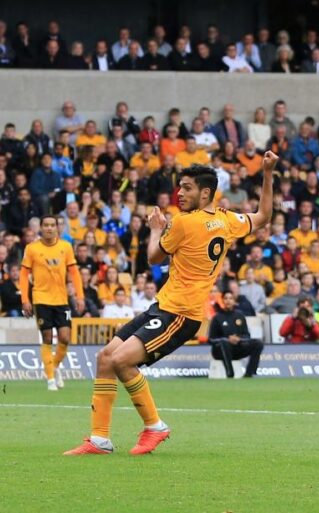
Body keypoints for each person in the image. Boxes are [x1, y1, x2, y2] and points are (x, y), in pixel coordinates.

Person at [65, 152, 278, 456]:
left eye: (187, 188)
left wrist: (155, 228)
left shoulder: (184, 223)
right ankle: (99, 439)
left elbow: (153, 257)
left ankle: (155, 426)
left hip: (180, 313)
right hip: (163, 307)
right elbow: (264, 216)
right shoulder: (227, 220)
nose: (180, 193)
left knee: (121, 361)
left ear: (205, 193)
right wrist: (267, 173)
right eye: (180, 187)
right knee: (105, 357)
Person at [20, 215, 84, 392]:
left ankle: (53, 367)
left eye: (52, 225)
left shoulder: (65, 247)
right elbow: (24, 275)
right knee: (47, 338)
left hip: (61, 300)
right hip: (41, 299)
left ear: (57, 228)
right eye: (46, 225)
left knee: (65, 338)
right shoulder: (32, 248)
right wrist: (25, 300)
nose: (49, 228)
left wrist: (80, 296)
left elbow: (74, 273)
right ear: (41, 228)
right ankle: (50, 380)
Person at [209, 291, 263, 378]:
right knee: (224, 343)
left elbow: (247, 335)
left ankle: (249, 373)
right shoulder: (217, 317)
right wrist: (227, 340)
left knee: (258, 343)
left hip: (237, 348)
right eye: (226, 298)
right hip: (220, 350)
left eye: (230, 298)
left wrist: (239, 339)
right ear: (222, 301)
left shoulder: (240, 316)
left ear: (234, 301)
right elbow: (211, 339)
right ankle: (230, 373)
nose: (228, 301)